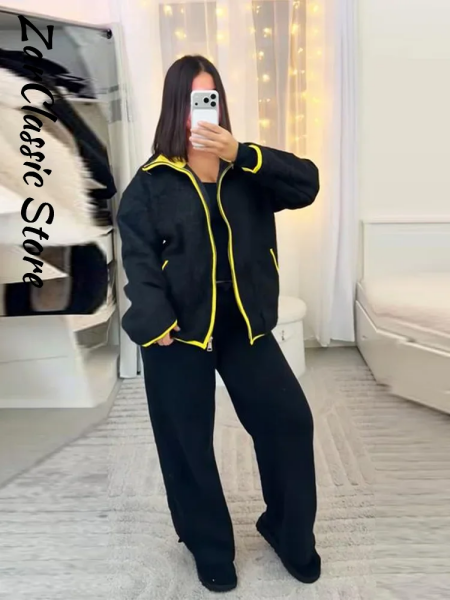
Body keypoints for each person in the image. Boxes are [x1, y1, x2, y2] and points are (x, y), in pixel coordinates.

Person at [117, 55, 321, 593]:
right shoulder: (151, 183)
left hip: (243, 323)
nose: (199, 112)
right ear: (175, 107)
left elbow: (307, 184)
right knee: (186, 440)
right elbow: (138, 259)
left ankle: (286, 530)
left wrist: (242, 153)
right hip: (178, 330)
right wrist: (155, 320)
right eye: (191, 101)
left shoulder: (246, 170)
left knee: (289, 422)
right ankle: (208, 546)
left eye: (208, 99)